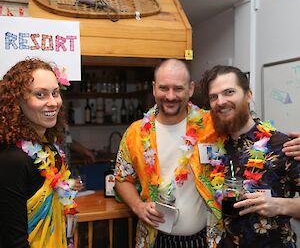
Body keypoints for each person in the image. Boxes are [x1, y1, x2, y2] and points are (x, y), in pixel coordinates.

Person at [114, 59, 300, 248]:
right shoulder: (135, 133)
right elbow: (122, 177)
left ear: (190, 89)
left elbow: (250, 128)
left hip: (207, 239)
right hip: (153, 238)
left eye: (178, 88)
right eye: (164, 88)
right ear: (154, 88)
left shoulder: (212, 125)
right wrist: (138, 206)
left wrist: (281, 204)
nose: (170, 96)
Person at [200, 65, 300, 248]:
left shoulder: (284, 145)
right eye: (214, 96)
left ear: (248, 95)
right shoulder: (216, 147)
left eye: (229, 92)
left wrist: (280, 205)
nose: (220, 101)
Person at [0, 58, 77, 248]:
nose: (53, 103)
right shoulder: (12, 159)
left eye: (55, 93)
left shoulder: (49, 148)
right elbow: (14, 242)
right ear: (17, 101)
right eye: (40, 94)